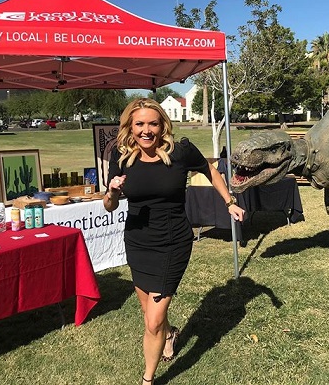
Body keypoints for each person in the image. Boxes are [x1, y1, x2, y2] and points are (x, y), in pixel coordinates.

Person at [103, 98, 245, 384]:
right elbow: (109, 205)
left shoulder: (180, 152)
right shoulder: (120, 157)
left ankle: (148, 379)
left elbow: (210, 170)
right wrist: (113, 191)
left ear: (162, 125)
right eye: (139, 124)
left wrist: (229, 201)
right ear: (130, 127)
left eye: (152, 124)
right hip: (138, 240)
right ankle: (170, 334)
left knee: (152, 320)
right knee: (148, 312)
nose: (146, 130)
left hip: (173, 241)